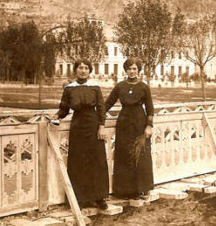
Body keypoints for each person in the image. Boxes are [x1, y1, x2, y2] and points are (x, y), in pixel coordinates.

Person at [52, 59, 109, 210]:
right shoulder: (69, 89)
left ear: (90, 71)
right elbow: (64, 108)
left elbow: (101, 108)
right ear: (75, 70)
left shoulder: (95, 87)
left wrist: (102, 127)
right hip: (77, 126)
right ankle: (80, 198)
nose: (83, 71)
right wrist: (57, 116)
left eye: (86, 68)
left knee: (96, 161)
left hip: (93, 125)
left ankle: (99, 198)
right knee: (78, 161)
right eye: (80, 68)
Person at [105, 57, 154, 199]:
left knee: (140, 155)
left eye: (134, 69)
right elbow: (108, 103)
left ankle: (142, 188)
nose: (132, 72)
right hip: (124, 123)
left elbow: (150, 108)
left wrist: (149, 126)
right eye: (129, 69)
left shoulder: (144, 87)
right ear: (125, 70)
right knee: (124, 154)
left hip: (139, 122)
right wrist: (97, 115)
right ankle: (124, 191)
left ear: (138, 70)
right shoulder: (120, 86)